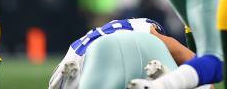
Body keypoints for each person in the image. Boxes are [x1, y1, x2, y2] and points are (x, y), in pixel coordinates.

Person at [48, 18, 194, 89]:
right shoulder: (144, 29)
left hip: (83, 58)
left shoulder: (87, 39)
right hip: (138, 47)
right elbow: (191, 59)